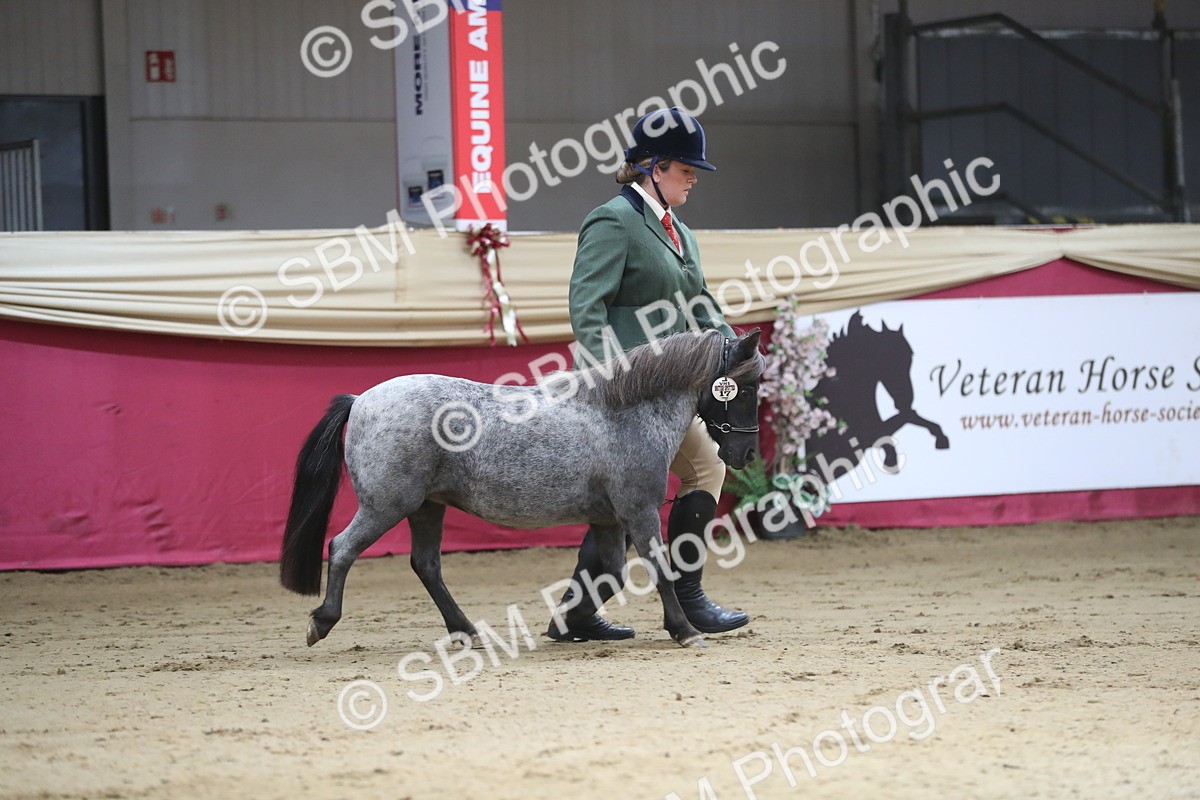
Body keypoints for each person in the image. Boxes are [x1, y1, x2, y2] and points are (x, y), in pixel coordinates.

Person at [547, 106, 750, 641]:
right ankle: (686, 600)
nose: (692, 181)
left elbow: (702, 303)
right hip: (621, 393)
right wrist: (609, 379)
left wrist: (735, 349)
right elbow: (586, 307)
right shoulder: (613, 220)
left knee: (676, 480)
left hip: (665, 396)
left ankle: (578, 614)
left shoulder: (679, 229)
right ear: (654, 168)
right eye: (686, 171)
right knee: (695, 470)